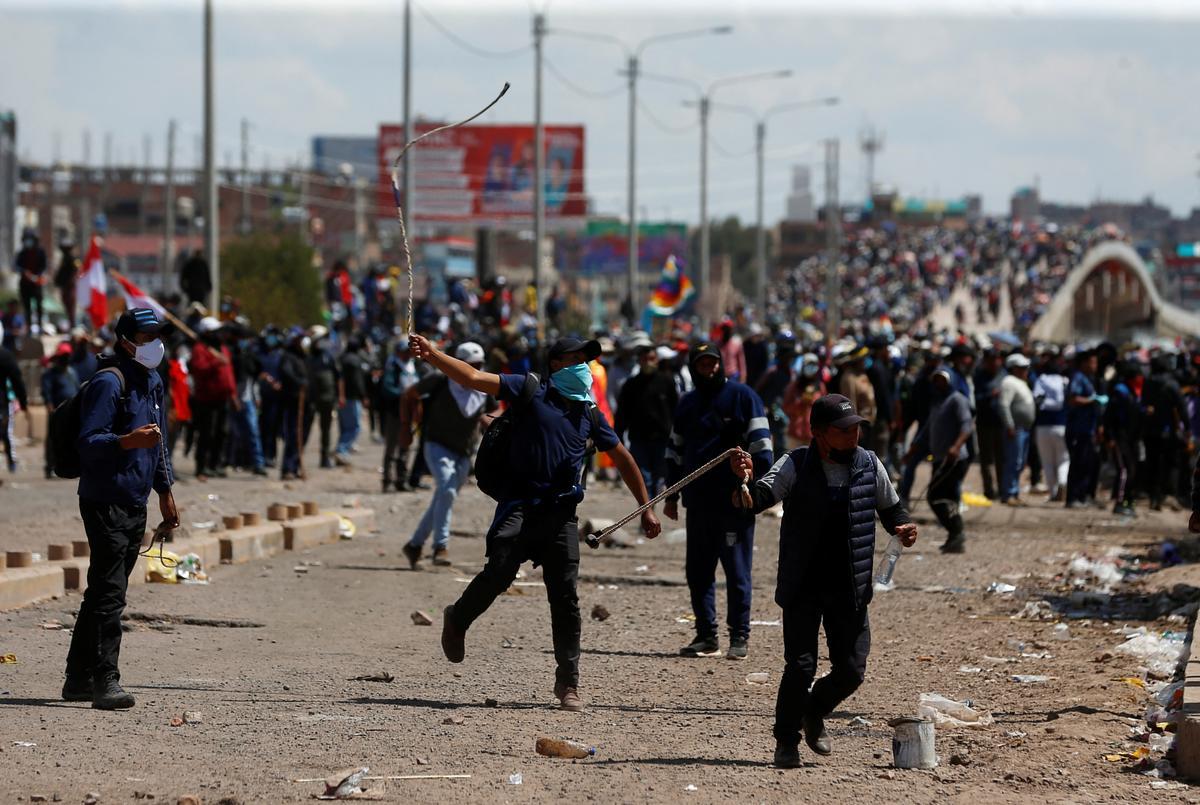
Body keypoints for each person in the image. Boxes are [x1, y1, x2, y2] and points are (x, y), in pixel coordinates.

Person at [411, 333, 661, 713]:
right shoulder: (530, 390)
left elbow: (623, 458)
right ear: (557, 363)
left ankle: (568, 684)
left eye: (586, 359)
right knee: (498, 573)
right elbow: (473, 379)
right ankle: (458, 618)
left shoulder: (588, 413)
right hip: (519, 507)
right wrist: (433, 355)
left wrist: (646, 506)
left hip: (561, 517)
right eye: (576, 358)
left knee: (565, 599)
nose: (584, 365)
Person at [729, 394, 917, 767]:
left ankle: (813, 711)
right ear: (818, 433)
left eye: (856, 429)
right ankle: (786, 741)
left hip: (850, 585)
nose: (853, 436)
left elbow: (891, 508)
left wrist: (904, 527)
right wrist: (743, 482)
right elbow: (755, 500)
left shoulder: (869, 463)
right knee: (800, 665)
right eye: (843, 430)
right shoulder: (796, 463)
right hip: (803, 584)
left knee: (851, 670)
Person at [63, 308, 178, 710]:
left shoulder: (152, 381)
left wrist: (165, 491)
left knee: (103, 591)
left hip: (135, 498)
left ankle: (77, 678)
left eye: (158, 337)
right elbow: (89, 441)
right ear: (128, 340)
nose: (156, 345)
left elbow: (159, 442)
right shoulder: (109, 383)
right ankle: (104, 680)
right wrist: (126, 441)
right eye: (148, 338)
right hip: (103, 499)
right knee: (111, 594)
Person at [665, 343, 773, 660]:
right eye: (702, 364)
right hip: (698, 502)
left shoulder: (743, 397)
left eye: (713, 362)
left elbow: (763, 448)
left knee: (737, 571)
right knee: (698, 571)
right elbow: (674, 452)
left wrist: (752, 486)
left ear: (721, 364)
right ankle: (706, 635)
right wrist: (671, 495)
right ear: (693, 367)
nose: (709, 369)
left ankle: (739, 635)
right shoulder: (687, 404)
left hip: (734, 503)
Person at [402, 342, 497, 568]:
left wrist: (490, 418)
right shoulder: (440, 380)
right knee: (446, 489)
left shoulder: (481, 385)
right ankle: (440, 546)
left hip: (464, 451)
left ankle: (415, 545)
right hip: (437, 445)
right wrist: (406, 427)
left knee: (444, 496)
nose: (475, 370)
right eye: (471, 365)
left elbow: (497, 407)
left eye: (479, 365)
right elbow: (409, 395)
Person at [909, 368, 973, 554]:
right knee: (944, 497)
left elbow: (966, 426)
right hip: (939, 458)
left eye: (942, 380)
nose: (939, 384)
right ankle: (954, 536)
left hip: (954, 459)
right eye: (936, 380)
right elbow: (928, 428)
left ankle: (957, 532)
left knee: (937, 496)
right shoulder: (937, 401)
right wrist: (914, 446)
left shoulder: (957, 400)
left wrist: (956, 446)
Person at [614, 344, 678, 498]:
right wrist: (618, 436)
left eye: (651, 358)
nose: (648, 362)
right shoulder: (631, 385)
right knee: (643, 478)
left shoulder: (667, 382)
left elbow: (675, 410)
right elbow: (622, 412)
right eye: (645, 359)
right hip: (638, 440)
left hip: (662, 440)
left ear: (657, 360)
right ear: (639, 361)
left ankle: (650, 512)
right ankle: (646, 512)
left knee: (659, 478)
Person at [188, 317, 236, 480]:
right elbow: (199, 370)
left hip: (223, 398)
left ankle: (216, 464)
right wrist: (215, 362)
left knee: (222, 433)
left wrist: (233, 394)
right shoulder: (200, 349)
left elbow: (229, 374)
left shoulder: (222, 348)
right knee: (206, 433)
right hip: (206, 399)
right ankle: (202, 466)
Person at [379, 338, 419, 492]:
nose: (407, 355)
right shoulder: (393, 368)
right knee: (391, 447)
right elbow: (388, 389)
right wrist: (404, 395)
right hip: (395, 413)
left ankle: (401, 480)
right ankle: (387, 480)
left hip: (409, 412)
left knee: (406, 446)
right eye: (404, 352)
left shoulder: (412, 367)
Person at [1105, 361, 1143, 517]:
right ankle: (1119, 503)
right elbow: (1109, 417)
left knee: (1131, 469)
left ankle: (1128, 500)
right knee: (1124, 470)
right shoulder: (1119, 392)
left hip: (1130, 437)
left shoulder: (1132, 392)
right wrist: (1110, 437)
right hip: (1119, 437)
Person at [1065, 350, 1102, 509]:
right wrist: (1092, 400)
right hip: (1078, 429)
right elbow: (1073, 399)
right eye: (1093, 362)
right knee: (1078, 463)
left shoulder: (1088, 379)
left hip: (1087, 429)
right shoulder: (1078, 378)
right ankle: (1073, 498)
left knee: (1086, 463)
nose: (1095, 366)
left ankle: (1081, 496)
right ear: (1084, 363)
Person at [997, 353, 1035, 505]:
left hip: (1024, 429)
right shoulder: (1009, 382)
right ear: (1013, 368)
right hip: (1016, 429)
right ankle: (1009, 493)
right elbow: (1004, 405)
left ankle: (1014, 491)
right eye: (1022, 367)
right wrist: (1010, 425)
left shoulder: (1021, 382)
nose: (1025, 370)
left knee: (1020, 462)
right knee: (1014, 461)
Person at [304, 326, 342, 470]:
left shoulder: (328, 357)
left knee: (326, 430)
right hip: (312, 399)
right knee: (305, 428)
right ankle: (297, 457)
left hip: (327, 399)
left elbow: (338, 377)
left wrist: (340, 396)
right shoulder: (308, 358)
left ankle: (325, 458)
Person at [1032, 351, 1069, 502]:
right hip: (1061, 424)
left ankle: (1054, 493)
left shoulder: (1040, 380)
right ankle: (1063, 482)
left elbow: (1037, 400)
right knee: (1063, 459)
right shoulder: (1064, 381)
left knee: (1047, 461)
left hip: (1043, 426)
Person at [41, 342, 80, 478]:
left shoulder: (72, 372)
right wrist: (50, 407)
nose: (65, 359)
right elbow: (46, 392)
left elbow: (77, 389)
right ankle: (50, 466)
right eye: (63, 356)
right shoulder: (50, 373)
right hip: (57, 412)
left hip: (71, 412)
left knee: (71, 438)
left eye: (67, 356)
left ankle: (70, 466)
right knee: (53, 440)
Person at [973, 349, 1007, 501]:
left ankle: (1002, 489)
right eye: (992, 360)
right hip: (984, 422)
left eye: (997, 359)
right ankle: (989, 490)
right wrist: (990, 395)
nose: (995, 363)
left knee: (1002, 458)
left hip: (1001, 422)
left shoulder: (1004, 374)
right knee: (986, 459)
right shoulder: (979, 376)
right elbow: (976, 399)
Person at [277, 329, 308, 480]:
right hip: (291, 399)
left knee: (301, 435)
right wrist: (299, 382)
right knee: (292, 434)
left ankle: (295, 466)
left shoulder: (301, 356)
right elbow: (287, 373)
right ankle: (288, 467)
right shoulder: (288, 356)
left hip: (302, 401)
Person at [335, 335, 370, 464]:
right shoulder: (355, 360)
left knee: (345, 426)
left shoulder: (341, 358)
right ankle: (341, 450)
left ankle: (342, 449)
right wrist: (363, 396)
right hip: (352, 398)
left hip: (340, 397)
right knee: (355, 426)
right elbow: (357, 381)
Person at [0, 332, 29, 473]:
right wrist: (23, 403)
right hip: (2, 404)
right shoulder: (5, 356)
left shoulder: (5, 356)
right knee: (6, 433)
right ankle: (11, 461)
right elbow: (17, 381)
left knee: (6, 433)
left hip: (3, 403)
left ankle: (11, 461)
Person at [15, 228, 48, 333]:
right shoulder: (22, 253)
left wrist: (38, 276)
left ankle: (39, 325)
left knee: (39, 305)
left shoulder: (40, 252)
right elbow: (16, 266)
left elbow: (44, 266)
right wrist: (25, 272)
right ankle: (29, 326)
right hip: (25, 284)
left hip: (37, 283)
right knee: (27, 306)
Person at [54, 235, 80, 328]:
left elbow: (76, 270)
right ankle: (71, 325)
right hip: (64, 286)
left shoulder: (73, 259)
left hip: (69, 287)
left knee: (71, 307)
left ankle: (73, 325)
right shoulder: (64, 259)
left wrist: (71, 281)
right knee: (67, 306)